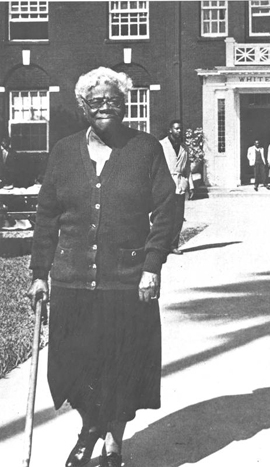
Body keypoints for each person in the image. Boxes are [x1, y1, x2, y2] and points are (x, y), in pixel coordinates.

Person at [27, 67, 176, 467]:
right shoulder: (63, 151)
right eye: (96, 101)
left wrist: (152, 265)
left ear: (125, 104)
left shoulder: (145, 148)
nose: (104, 106)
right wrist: (40, 273)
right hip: (73, 280)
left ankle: (113, 442)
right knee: (74, 365)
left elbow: (166, 209)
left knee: (122, 366)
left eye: (112, 100)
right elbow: (46, 218)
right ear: (83, 107)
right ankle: (91, 426)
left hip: (126, 282)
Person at [160, 120, 194, 255]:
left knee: (178, 217)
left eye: (181, 129)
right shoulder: (161, 145)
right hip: (165, 184)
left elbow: (187, 168)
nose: (179, 131)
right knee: (164, 217)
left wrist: (190, 186)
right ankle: (161, 245)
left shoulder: (184, 148)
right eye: (176, 129)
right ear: (170, 130)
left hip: (180, 185)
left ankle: (173, 245)